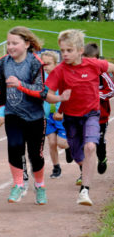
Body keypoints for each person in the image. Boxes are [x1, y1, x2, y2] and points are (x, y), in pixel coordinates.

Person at [45, 29, 114, 206]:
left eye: (69, 50)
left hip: (91, 114)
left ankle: (85, 191)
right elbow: (47, 94)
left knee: (91, 146)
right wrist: (60, 99)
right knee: (78, 154)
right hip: (71, 118)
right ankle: (83, 167)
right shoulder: (59, 71)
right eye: (62, 51)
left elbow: (111, 67)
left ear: (80, 50)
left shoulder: (93, 64)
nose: (65, 54)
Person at [0, 27, 48, 205]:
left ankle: (40, 186)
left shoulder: (35, 63)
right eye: (8, 43)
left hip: (35, 116)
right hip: (12, 113)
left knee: (35, 155)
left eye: (15, 43)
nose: (10, 46)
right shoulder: (2, 62)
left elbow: (41, 90)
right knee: (14, 145)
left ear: (27, 44)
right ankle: (18, 184)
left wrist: (20, 84)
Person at [83, 42, 114, 176]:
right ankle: (82, 172)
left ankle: (102, 158)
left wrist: (96, 95)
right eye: (85, 59)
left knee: (99, 141)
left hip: (101, 115)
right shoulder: (79, 73)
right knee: (83, 142)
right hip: (82, 114)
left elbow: (111, 90)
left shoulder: (102, 74)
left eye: (91, 60)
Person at [40, 50, 70, 179]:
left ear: (56, 64)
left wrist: (63, 111)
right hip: (48, 116)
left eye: (48, 63)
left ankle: (70, 147)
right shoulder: (41, 78)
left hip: (61, 114)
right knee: (51, 143)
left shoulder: (62, 76)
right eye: (43, 64)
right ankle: (56, 167)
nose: (45, 66)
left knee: (62, 143)